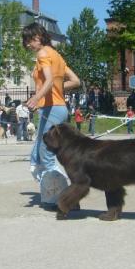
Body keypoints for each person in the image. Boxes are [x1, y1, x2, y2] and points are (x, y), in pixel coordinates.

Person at [22, 23, 80, 199]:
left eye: (30, 39)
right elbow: (76, 81)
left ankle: (67, 196)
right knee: (36, 155)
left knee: (45, 155)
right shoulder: (57, 56)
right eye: (25, 41)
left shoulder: (42, 53)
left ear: (40, 36)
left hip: (51, 108)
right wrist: (56, 88)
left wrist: (37, 97)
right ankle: (49, 193)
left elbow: (47, 81)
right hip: (58, 107)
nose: (27, 45)